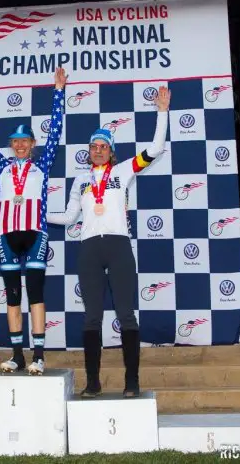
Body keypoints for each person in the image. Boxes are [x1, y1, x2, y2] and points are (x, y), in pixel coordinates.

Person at [47, 86, 171, 397]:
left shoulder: (123, 170)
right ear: (88, 151)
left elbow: (156, 148)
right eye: (93, 146)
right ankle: (93, 382)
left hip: (118, 247)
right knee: (92, 317)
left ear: (111, 150)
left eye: (103, 146)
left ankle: (132, 382)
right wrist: (38, 215)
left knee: (126, 313)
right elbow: (69, 217)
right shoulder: (80, 181)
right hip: (89, 248)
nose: (98, 150)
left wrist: (162, 112)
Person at [0, 67, 68, 375]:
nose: (19, 145)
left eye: (25, 141)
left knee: (36, 293)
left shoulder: (42, 164)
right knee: (13, 296)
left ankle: (39, 355)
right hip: (5, 234)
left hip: (35, 234)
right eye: (15, 141)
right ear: (11, 145)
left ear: (32, 144)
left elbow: (55, 130)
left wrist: (58, 92)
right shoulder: (0, 165)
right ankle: (17, 354)